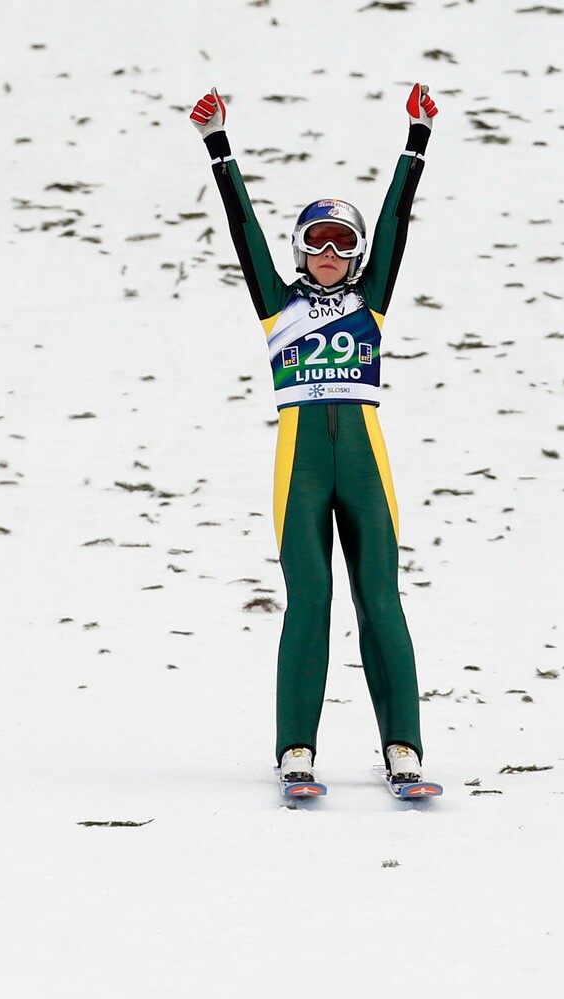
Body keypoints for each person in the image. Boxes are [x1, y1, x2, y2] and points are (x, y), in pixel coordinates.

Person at [189, 83, 438, 787]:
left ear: (357, 255)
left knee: (381, 599)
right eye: (318, 241)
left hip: (365, 465)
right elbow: (242, 229)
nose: (330, 252)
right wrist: (218, 145)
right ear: (301, 249)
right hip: (299, 465)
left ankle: (404, 749)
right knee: (310, 600)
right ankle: (295, 749)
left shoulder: (371, 301)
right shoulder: (277, 306)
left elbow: (397, 220)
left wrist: (416, 141)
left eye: (343, 242)